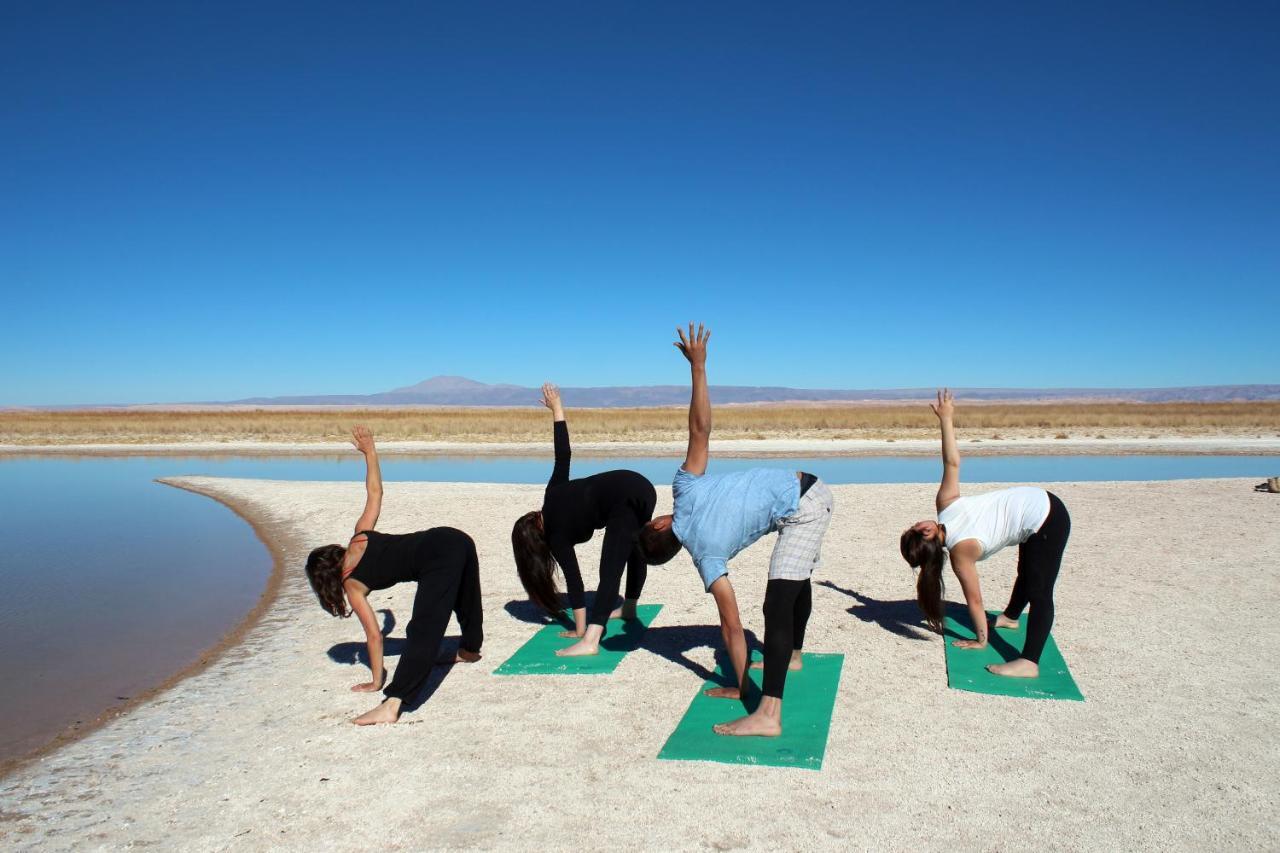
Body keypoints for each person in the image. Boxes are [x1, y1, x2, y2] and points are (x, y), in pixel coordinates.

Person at [638, 324, 834, 737]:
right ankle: (769, 713)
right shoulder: (684, 488)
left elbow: (730, 624)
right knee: (781, 598)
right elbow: (700, 430)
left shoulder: (705, 560)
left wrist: (739, 682)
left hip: (805, 502)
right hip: (805, 501)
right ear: (658, 523)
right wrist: (699, 367)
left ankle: (787, 664)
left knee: (782, 595)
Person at [304, 426, 483, 724]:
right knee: (466, 598)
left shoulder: (352, 586)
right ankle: (469, 650)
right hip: (452, 536)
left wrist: (377, 682)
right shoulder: (360, 535)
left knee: (423, 628)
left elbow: (374, 636)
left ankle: (393, 703)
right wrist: (371, 451)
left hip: (437, 557)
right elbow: (375, 492)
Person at [899, 389, 1071, 678]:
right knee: (1038, 588)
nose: (917, 522)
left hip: (1043, 513)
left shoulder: (946, 506)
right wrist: (981, 640)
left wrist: (946, 419)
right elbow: (975, 601)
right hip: (1046, 519)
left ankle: (1013, 619)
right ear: (927, 532)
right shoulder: (959, 547)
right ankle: (1029, 661)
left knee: (1033, 574)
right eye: (915, 527)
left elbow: (951, 461)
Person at [512, 383, 657, 657]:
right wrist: (557, 408)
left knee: (611, 567)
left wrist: (579, 629)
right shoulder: (551, 493)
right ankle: (629, 608)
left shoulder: (554, 536)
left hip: (624, 499)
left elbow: (575, 581)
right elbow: (563, 454)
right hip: (640, 484)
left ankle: (590, 639)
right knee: (633, 548)